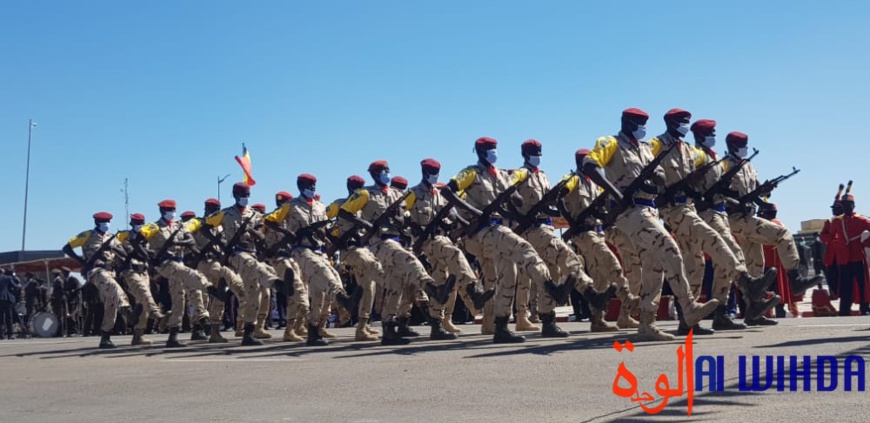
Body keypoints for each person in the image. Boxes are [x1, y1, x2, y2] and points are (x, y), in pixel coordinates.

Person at [582, 108, 718, 341]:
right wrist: (615, 193)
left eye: (644, 124)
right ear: (626, 123)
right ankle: (688, 306)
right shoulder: (610, 143)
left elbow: (661, 177)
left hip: (650, 210)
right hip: (630, 211)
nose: (642, 128)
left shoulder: (646, 148)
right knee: (669, 248)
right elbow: (590, 165)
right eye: (638, 123)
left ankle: (646, 323)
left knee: (653, 267)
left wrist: (654, 177)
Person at [651, 110, 777, 335]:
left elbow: (705, 181)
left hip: (692, 208)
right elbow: (644, 167)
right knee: (717, 241)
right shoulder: (656, 145)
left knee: (695, 265)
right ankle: (745, 281)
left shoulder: (690, 151)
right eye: (681, 122)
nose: (685, 125)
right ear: (670, 123)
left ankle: (692, 320)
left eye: (687, 122)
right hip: (674, 209)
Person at [445, 137, 563, 343]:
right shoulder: (470, 172)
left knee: (508, 276)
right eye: (490, 149)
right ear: (480, 151)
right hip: (483, 230)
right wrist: (474, 212)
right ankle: (550, 286)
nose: (494, 152)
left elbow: (516, 201)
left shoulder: (501, 175)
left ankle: (501, 326)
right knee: (523, 248)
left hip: (499, 228)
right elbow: (447, 191)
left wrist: (512, 195)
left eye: (495, 148)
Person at [511, 140, 613, 336]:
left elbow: (549, 204)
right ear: (524, 154)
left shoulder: (542, 176)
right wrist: (518, 214)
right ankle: (590, 292)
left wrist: (556, 209)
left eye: (539, 151)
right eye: (534, 152)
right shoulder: (521, 173)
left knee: (552, 274)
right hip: (532, 229)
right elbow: (507, 191)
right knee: (566, 254)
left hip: (546, 227)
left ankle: (548, 321)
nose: (538, 155)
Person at [724, 131, 823, 324]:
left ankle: (754, 312)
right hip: (735, 218)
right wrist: (737, 201)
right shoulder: (724, 166)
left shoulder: (748, 166)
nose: (745, 148)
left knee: (755, 266)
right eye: (742, 145)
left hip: (748, 217)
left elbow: (755, 193)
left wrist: (764, 192)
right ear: (732, 146)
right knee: (782, 234)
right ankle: (795, 278)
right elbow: (719, 192)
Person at [340, 161, 439, 345]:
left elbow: (403, 220)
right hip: (379, 243)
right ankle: (430, 285)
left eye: (387, 170)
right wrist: (367, 224)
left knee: (396, 285)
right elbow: (344, 212)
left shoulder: (397, 194)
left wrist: (395, 216)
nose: (386, 173)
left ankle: (388, 329)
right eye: (382, 171)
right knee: (408, 259)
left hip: (397, 240)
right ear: (374, 174)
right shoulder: (365, 193)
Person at [405, 158, 495, 339]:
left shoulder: (439, 194)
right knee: (454, 254)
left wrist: (465, 224)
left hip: (442, 238)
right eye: (432, 172)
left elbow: (452, 217)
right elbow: (402, 215)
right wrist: (416, 230)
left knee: (443, 282)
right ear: (424, 172)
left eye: (437, 172)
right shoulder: (413, 193)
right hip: (427, 241)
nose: (435, 175)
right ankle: (473, 290)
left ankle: (436, 325)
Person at [266, 174, 356, 346]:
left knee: (322, 290)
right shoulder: (291, 205)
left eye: (314, 184)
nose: (312, 187)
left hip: (319, 250)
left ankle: (315, 329)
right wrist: (288, 233)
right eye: (309, 184)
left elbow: (322, 230)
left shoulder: (320, 206)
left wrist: (329, 243)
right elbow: (270, 221)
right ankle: (343, 299)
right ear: (300, 186)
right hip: (301, 251)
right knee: (322, 274)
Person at [558, 149, 640, 330]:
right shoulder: (573, 179)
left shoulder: (594, 184)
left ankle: (597, 320)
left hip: (598, 231)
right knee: (611, 262)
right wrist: (571, 220)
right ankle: (628, 299)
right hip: (584, 233)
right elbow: (559, 197)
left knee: (600, 278)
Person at [205, 182, 295, 346]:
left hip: (250, 253)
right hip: (234, 255)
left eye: (247, 195)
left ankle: (248, 332)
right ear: (234, 195)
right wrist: (223, 246)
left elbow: (261, 236)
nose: (245, 198)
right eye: (242, 195)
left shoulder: (255, 215)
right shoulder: (225, 214)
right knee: (221, 294)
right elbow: (205, 228)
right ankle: (278, 284)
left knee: (254, 293)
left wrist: (249, 230)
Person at [138, 200, 219, 347]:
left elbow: (191, 240)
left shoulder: (179, 226)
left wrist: (176, 243)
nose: (172, 212)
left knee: (180, 299)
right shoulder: (154, 226)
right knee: (189, 274)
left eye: (173, 210)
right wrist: (149, 257)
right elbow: (136, 240)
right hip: (166, 263)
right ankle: (207, 294)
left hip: (179, 262)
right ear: (162, 211)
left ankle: (173, 335)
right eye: (169, 210)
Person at [327, 175, 384, 341]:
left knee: (369, 286)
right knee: (373, 269)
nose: (356, 189)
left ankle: (362, 326)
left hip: (363, 247)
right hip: (349, 248)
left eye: (359, 186)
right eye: (354, 186)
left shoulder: (364, 204)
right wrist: (334, 241)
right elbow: (321, 221)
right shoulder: (338, 204)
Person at [62, 212, 131, 348]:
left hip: (111, 271)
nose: (106, 224)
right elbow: (67, 248)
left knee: (111, 303)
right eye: (103, 221)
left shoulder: (112, 238)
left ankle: (105, 337)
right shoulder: (87, 235)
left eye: (108, 221)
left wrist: (113, 248)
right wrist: (81, 261)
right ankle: (127, 310)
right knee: (114, 289)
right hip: (96, 271)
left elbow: (124, 254)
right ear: (96, 222)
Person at [186, 198, 247, 343]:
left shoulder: (220, 226)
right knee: (203, 296)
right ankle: (199, 327)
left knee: (220, 294)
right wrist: (194, 252)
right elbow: (185, 233)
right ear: (206, 209)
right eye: (212, 209)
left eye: (217, 209)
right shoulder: (198, 222)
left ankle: (213, 329)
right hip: (202, 262)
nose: (214, 212)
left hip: (218, 263)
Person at [117, 213, 166, 345]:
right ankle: (158, 315)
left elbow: (152, 252)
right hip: (131, 271)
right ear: (131, 223)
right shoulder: (125, 237)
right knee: (145, 293)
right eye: (136, 223)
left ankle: (138, 335)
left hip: (144, 271)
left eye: (141, 223)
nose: (139, 225)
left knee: (143, 303)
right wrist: (145, 251)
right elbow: (132, 251)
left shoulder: (148, 238)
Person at [830, 192, 870, 316]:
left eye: (848, 204)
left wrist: (866, 240)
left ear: (853, 205)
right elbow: (829, 236)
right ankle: (844, 309)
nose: (846, 206)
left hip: (858, 256)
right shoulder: (837, 221)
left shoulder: (862, 220)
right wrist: (837, 244)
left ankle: (865, 307)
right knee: (845, 285)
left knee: (862, 284)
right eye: (844, 204)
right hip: (844, 258)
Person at [820, 185, 847, 300]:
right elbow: (822, 236)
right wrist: (832, 238)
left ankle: (844, 294)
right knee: (831, 276)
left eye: (836, 208)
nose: (833, 210)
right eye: (833, 208)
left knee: (844, 276)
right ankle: (834, 293)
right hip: (832, 255)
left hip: (845, 254)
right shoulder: (829, 222)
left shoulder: (847, 220)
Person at [0, 269, 21, 340]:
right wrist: (12, 293)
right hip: (7, 299)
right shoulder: (7, 278)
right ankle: (10, 334)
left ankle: (1, 334)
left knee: (0, 318)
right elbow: (15, 286)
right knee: (9, 317)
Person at [62, 268, 82, 336]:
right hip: (68, 300)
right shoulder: (65, 281)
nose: (64, 275)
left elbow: (79, 286)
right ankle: (70, 331)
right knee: (68, 316)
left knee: (73, 315)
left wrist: (73, 291)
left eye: (65, 273)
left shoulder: (73, 279)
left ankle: (75, 331)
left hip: (74, 300)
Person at [50, 269, 68, 337]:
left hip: (59, 301)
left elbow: (61, 291)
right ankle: (58, 332)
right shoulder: (56, 281)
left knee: (60, 317)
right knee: (57, 317)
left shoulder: (59, 281)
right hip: (56, 301)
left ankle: (61, 332)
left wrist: (55, 297)